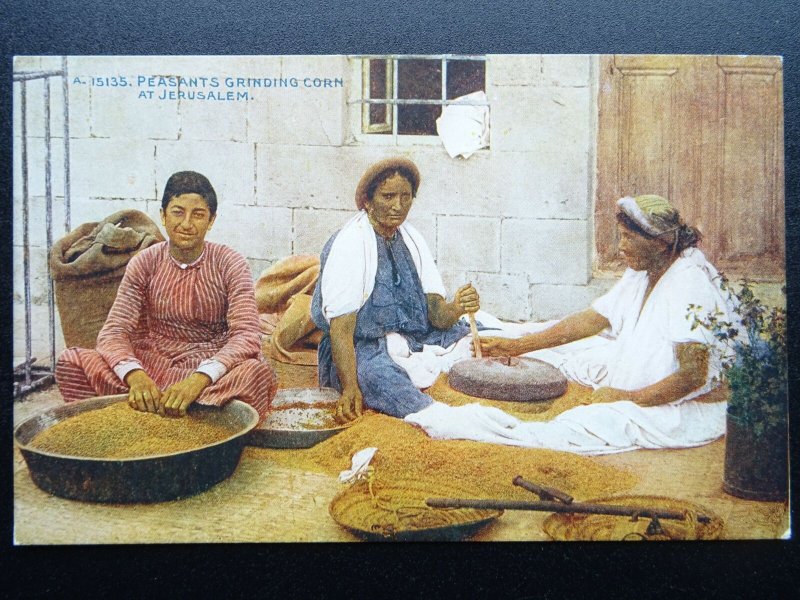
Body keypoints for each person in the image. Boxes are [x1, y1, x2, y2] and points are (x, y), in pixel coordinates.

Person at [406, 194, 740, 454]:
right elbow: (592, 320)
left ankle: (463, 424)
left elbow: (693, 375)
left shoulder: (688, 284)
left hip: (682, 408)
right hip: (643, 386)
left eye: (628, 238)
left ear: (660, 242)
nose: (620, 247)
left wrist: (626, 397)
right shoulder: (644, 272)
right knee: (566, 353)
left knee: (572, 428)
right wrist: (519, 345)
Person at [55, 171, 277, 420]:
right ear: (163, 215)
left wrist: (198, 380)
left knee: (255, 375)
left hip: (209, 365)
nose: (186, 224)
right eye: (178, 212)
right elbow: (114, 331)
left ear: (211, 220)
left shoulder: (230, 262)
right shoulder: (144, 262)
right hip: (152, 362)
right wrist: (135, 376)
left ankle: (163, 417)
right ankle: (178, 415)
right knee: (72, 360)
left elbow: (247, 334)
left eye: (198, 214)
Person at [311, 157, 480, 423]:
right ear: (367, 201)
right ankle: (440, 417)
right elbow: (341, 330)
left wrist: (457, 306)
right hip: (359, 348)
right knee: (377, 378)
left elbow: (436, 315)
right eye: (388, 196)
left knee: (480, 338)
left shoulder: (411, 238)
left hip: (413, 338)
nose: (398, 206)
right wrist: (350, 388)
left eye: (406, 197)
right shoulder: (350, 243)